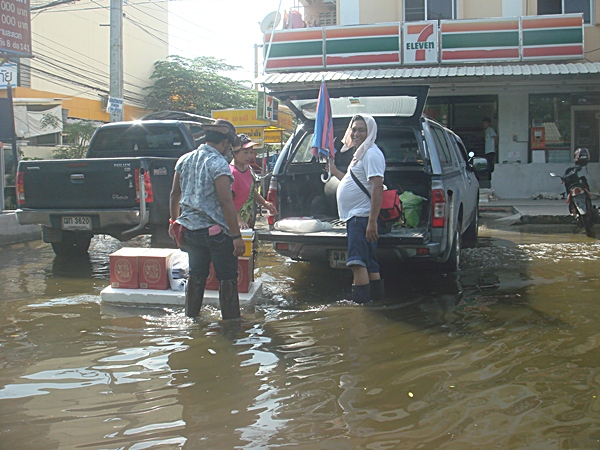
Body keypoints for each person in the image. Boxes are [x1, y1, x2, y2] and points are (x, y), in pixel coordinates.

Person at [169, 119, 245, 320]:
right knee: (227, 278)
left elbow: (174, 194)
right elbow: (226, 202)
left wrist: (173, 222)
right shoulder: (218, 163)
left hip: (190, 232)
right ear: (225, 143)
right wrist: (236, 236)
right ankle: (231, 326)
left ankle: (191, 317)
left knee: (196, 275)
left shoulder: (184, 159)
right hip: (217, 234)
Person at [329, 114, 385, 303]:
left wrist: (371, 222)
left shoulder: (371, 154)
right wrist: (332, 168)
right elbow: (350, 180)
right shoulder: (361, 154)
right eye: (354, 129)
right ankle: (376, 304)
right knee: (370, 264)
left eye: (362, 130)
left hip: (361, 219)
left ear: (370, 132)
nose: (356, 133)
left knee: (357, 263)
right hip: (359, 218)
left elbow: (378, 187)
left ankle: (362, 309)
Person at [230, 134, 276, 230]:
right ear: (235, 153)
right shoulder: (231, 173)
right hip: (234, 224)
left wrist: (265, 203)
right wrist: (238, 220)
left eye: (251, 152)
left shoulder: (248, 168)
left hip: (247, 220)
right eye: (245, 152)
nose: (250, 156)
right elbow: (226, 201)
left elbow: (251, 190)